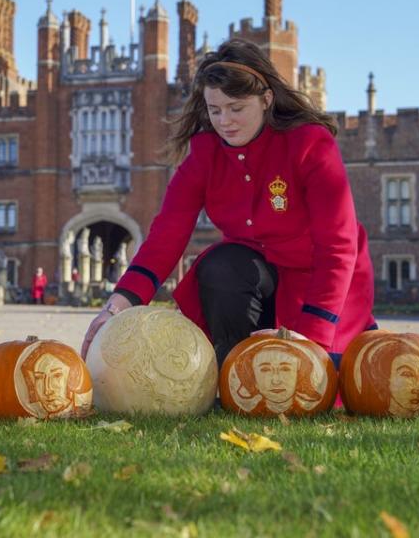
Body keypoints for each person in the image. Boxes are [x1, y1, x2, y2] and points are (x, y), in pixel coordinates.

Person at [81, 38, 377, 369]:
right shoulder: (205, 155)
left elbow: (338, 247)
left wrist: (313, 340)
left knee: (320, 383)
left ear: (266, 99)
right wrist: (115, 308)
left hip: (322, 285)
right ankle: (236, 369)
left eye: (237, 108)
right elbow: (165, 237)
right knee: (220, 265)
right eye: (215, 110)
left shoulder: (309, 143)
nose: (225, 122)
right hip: (250, 281)